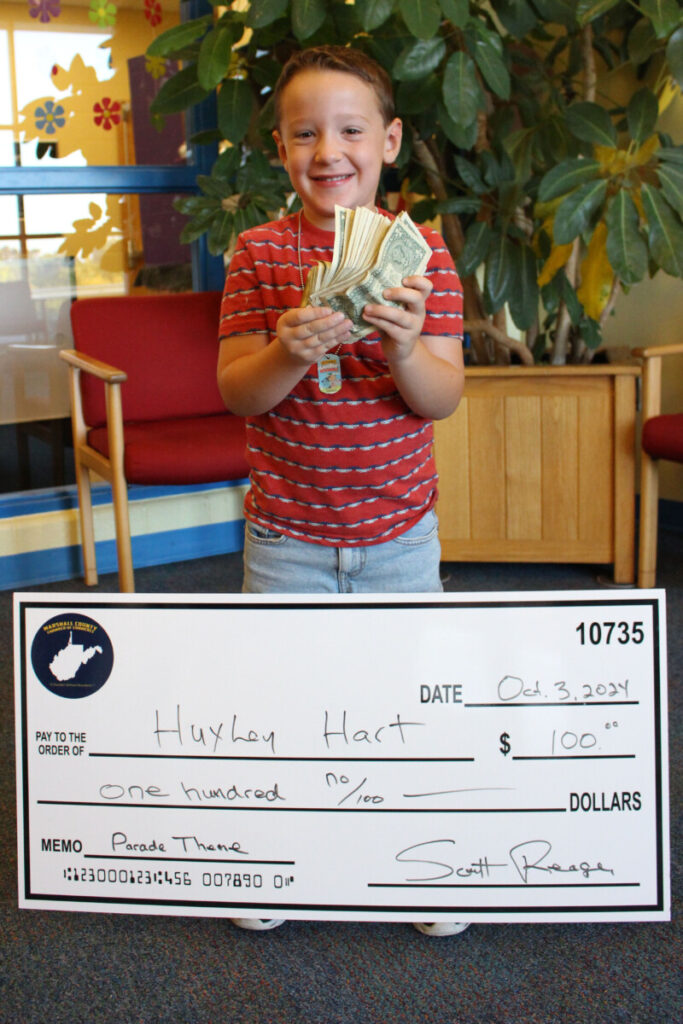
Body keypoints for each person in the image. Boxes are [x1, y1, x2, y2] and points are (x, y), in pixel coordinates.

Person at [217, 45, 467, 938]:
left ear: (389, 140)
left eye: (351, 129)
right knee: (283, 705)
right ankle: (279, 858)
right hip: (286, 535)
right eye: (305, 132)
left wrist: (403, 348)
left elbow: (442, 395)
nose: (330, 149)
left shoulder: (425, 251)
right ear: (281, 149)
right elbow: (236, 392)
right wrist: (289, 350)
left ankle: (428, 861)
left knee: (406, 703)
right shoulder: (255, 253)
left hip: (400, 532)